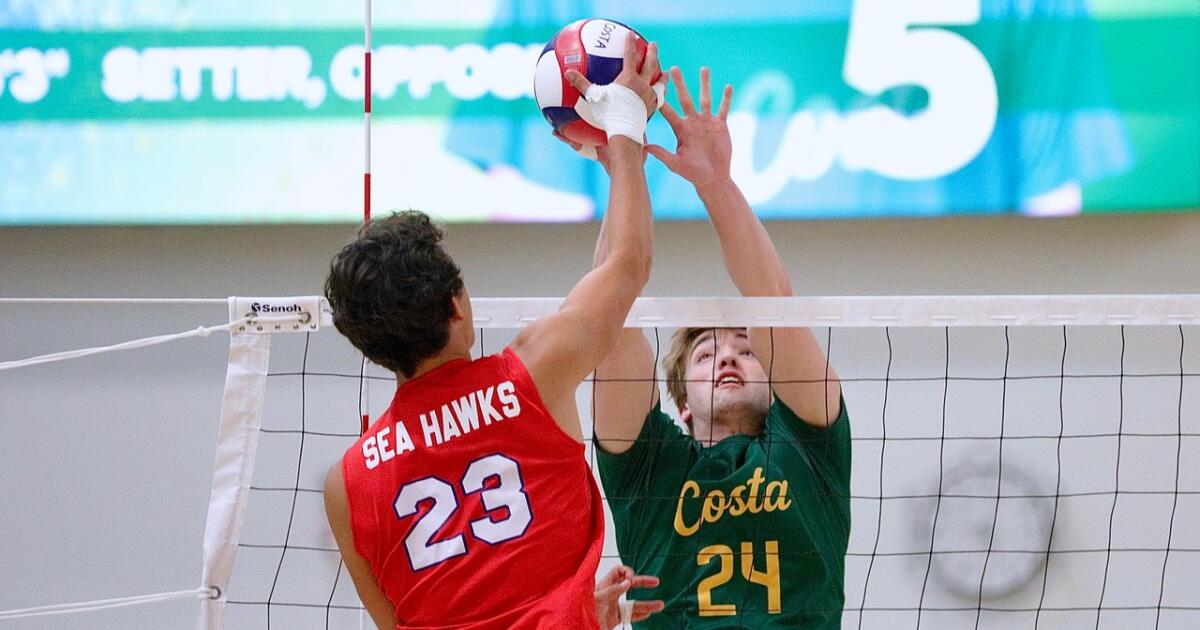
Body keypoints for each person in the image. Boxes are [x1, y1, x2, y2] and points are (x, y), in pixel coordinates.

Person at [321, 36, 664, 629]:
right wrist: (624, 135)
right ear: (457, 306)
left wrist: (580, 613)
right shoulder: (529, 373)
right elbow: (624, 270)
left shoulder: (346, 483)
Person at [590, 67, 851, 628]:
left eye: (745, 350)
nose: (730, 357)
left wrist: (714, 181)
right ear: (681, 403)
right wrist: (624, 160)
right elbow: (608, 317)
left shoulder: (811, 450)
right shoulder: (649, 469)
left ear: (775, 381)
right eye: (707, 356)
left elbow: (772, 300)